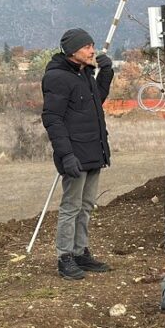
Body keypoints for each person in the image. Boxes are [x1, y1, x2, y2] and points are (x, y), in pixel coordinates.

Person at [42, 28, 114, 280]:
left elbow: (95, 101)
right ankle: (65, 257)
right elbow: (52, 118)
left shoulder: (84, 74)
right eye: (87, 46)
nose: (92, 50)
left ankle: (80, 252)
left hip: (93, 150)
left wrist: (106, 73)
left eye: (92, 45)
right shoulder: (57, 78)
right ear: (73, 51)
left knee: (86, 206)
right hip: (74, 153)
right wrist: (66, 155)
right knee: (71, 207)